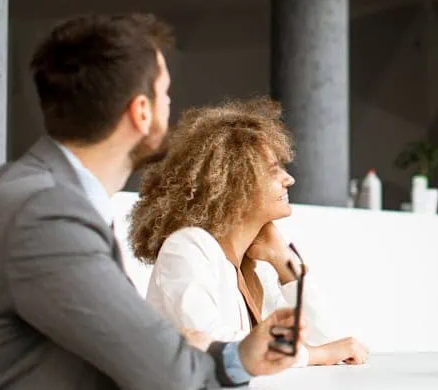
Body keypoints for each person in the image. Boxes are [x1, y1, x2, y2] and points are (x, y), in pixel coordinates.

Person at [0, 15, 301, 390]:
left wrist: (201, 351)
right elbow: (164, 368)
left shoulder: (40, 189)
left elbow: (142, 347)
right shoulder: (47, 210)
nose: (169, 108)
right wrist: (222, 358)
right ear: (140, 112)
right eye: (165, 95)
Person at [129, 98, 368, 367]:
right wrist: (316, 355)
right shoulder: (186, 249)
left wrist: (284, 262)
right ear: (234, 183)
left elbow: (333, 343)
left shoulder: (255, 268)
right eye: (274, 171)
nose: (289, 179)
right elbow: (216, 348)